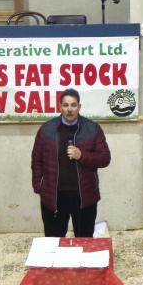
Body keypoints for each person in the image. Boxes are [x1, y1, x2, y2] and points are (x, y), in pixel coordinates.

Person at [31, 88, 111, 237]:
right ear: (60, 106)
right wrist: (39, 186)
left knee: (84, 239)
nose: (69, 109)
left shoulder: (92, 129)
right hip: (54, 197)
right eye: (66, 105)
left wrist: (82, 155)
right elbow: (36, 160)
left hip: (84, 197)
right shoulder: (46, 130)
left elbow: (105, 158)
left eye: (73, 105)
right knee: (53, 240)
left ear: (79, 107)